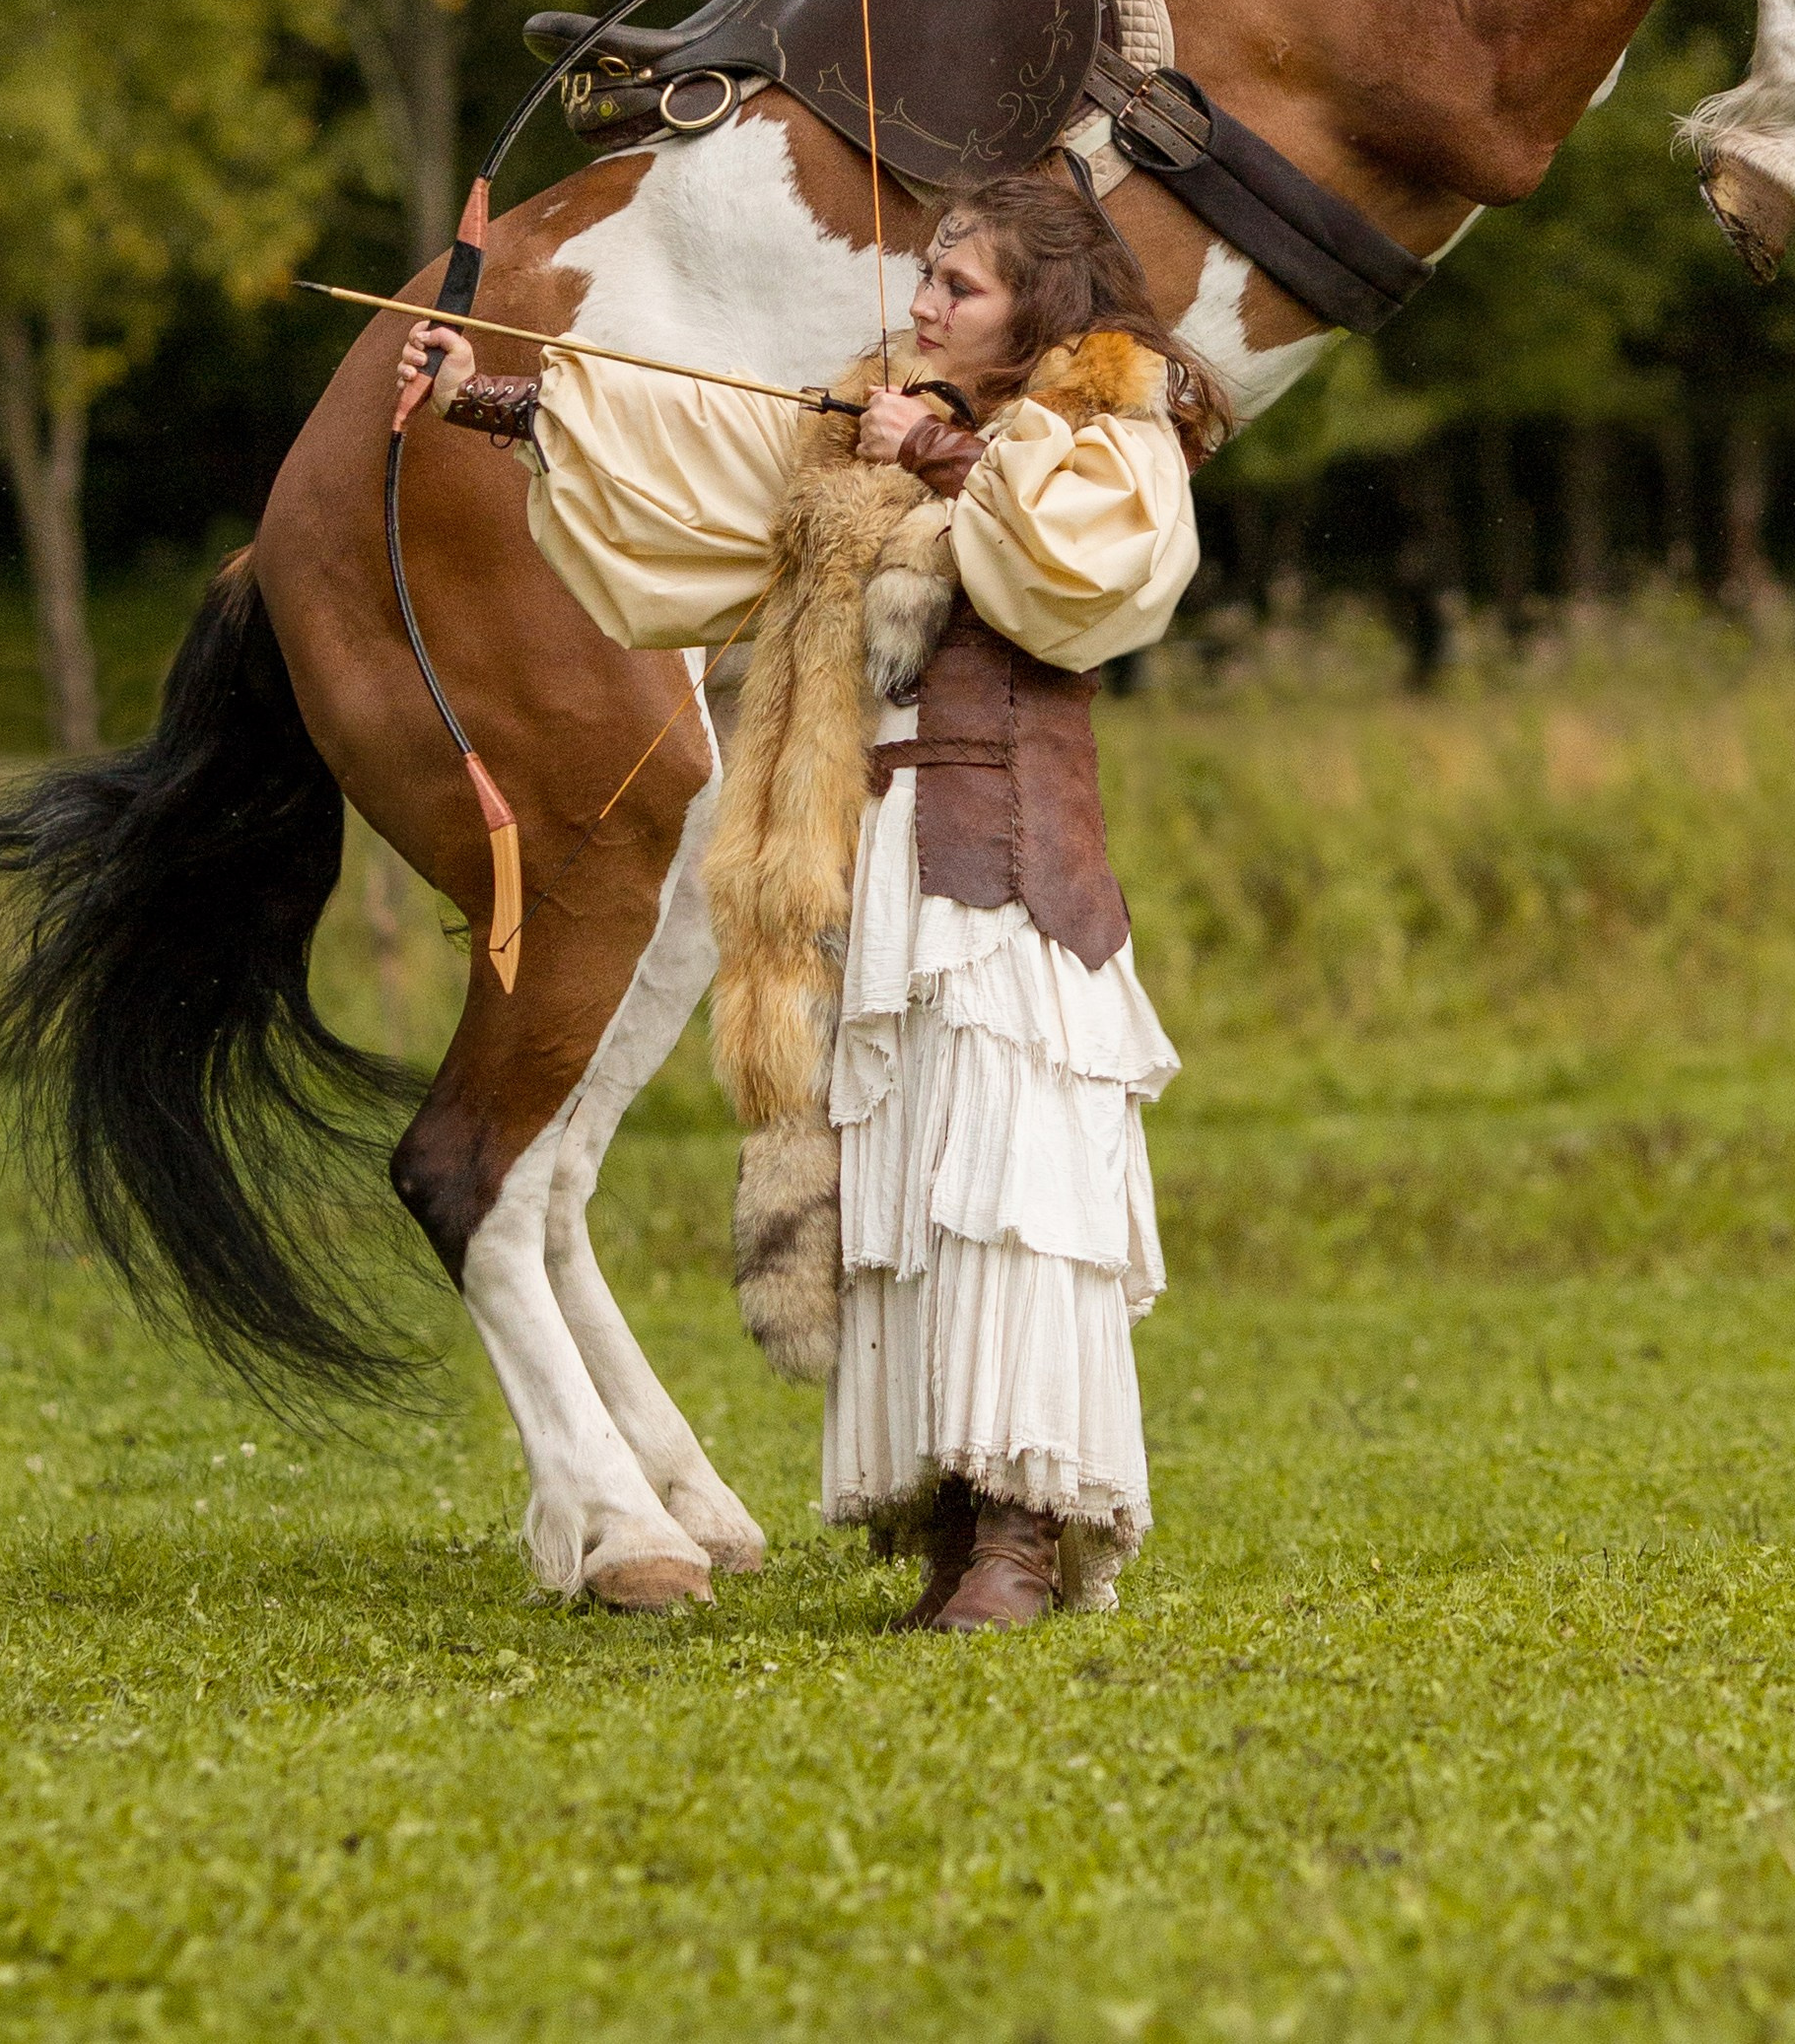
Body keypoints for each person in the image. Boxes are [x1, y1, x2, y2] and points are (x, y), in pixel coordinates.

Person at [395, 165, 1227, 1630]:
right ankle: (956, 1517)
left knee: (1009, 1184)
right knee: (907, 1191)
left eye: (956, 288)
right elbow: (686, 461)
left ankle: (1026, 1539)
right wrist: (485, 396)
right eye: (927, 281)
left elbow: (1093, 571)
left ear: (1035, 310)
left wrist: (952, 463)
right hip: (872, 860)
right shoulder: (863, 426)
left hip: (1009, 864)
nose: (923, 306)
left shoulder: (1109, 424)